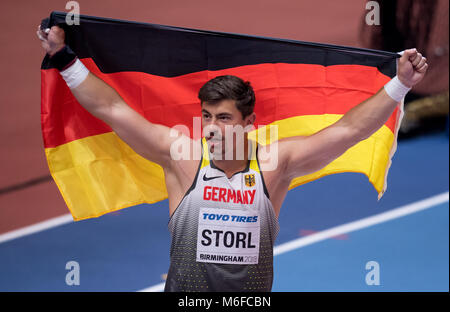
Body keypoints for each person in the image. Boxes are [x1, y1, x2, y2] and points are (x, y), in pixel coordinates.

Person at [37, 25, 428, 292]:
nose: (210, 127)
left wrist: (401, 84)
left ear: (249, 123)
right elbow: (112, 109)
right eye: (206, 116)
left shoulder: (275, 164)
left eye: (223, 118)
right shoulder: (182, 157)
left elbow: (349, 130)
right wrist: (66, 59)